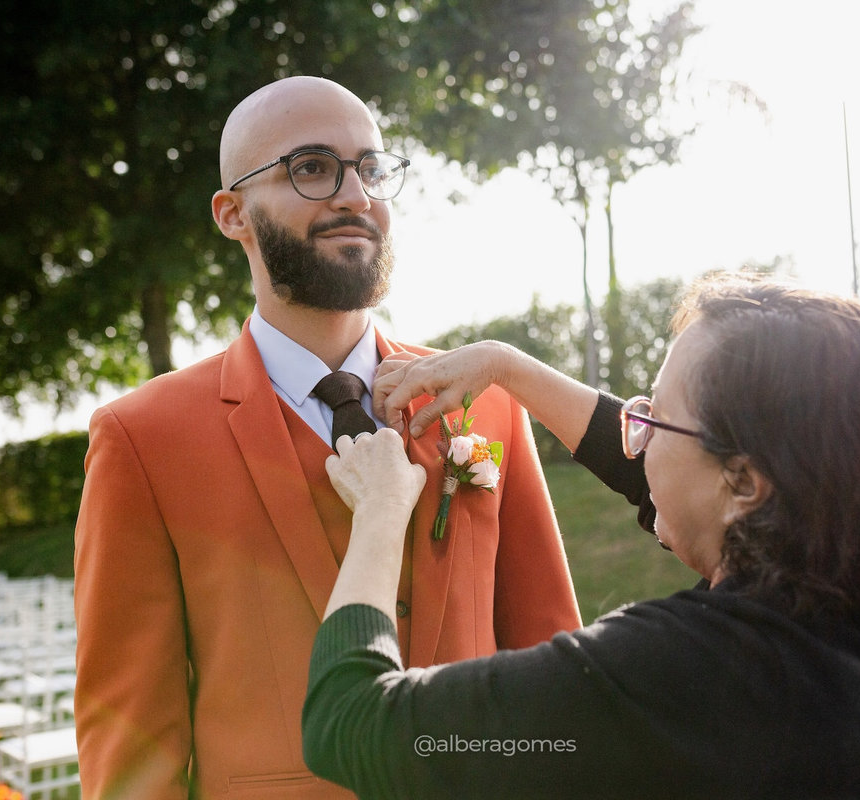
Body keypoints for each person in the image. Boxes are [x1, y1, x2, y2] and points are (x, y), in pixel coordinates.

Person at [72, 76, 581, 800]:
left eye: (370, 168)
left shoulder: (486, 405)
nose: (355, 195)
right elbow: (131, 746)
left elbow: (551, 663)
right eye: (311, 168)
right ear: (232, 214)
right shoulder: (141, 440)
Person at [303, 274, 860, 798]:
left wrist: (383, 512)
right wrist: (507, 367)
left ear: (744, 483)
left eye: (657, 421)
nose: (640, 440)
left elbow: (350, 723)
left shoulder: (676, 674)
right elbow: (663, 482)